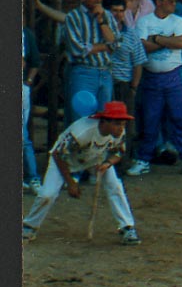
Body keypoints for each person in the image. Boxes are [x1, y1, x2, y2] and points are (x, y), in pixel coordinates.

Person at [21, 101, 141, 246]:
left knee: (115, 185)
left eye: (123, 124)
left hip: (95, 159)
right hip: (64, 160)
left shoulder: (118, 133)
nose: (121, 128)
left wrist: (107, 164)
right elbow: (59, 154)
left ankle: (127, 228)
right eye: (118, 124)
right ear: (105, 122)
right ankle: (29, 226)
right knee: (48, 194)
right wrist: (71, 182)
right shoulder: (82, 131)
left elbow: (119, 153)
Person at [130, 0, 182, 177]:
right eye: (169, 0)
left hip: (173, 75)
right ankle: (143, 159)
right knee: (150, 119)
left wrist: (157, 38)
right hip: (151, 77)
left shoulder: (179, 21)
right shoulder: (144, 21)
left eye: (174, 0)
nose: (173, 4)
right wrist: (169, 41)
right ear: (158, 2)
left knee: (180, 118)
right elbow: (141, 46)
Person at [65, 0, 118, 116]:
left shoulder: (107, 16)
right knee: (82, 117)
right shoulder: (73, 17)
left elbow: (116, 43)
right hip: (84, 72)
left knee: (103, 119)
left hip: (105, 72)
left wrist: (102, 23)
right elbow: (78, 50)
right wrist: (104, 46)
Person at [105, 0, 146, 169]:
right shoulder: (99, 33)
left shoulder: (131, 34)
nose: (118, 15)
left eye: (121, 11)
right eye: (114, 11)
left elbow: (138, 62)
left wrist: (133, 88)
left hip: (123, 85)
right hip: (105, 83)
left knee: (123, 128)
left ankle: (121, 164)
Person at [22, 25, 43, 192]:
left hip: (20, 87)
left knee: (22, 135)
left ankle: (33, 177)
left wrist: (28, 81)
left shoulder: (25, 34)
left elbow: (34, 62)